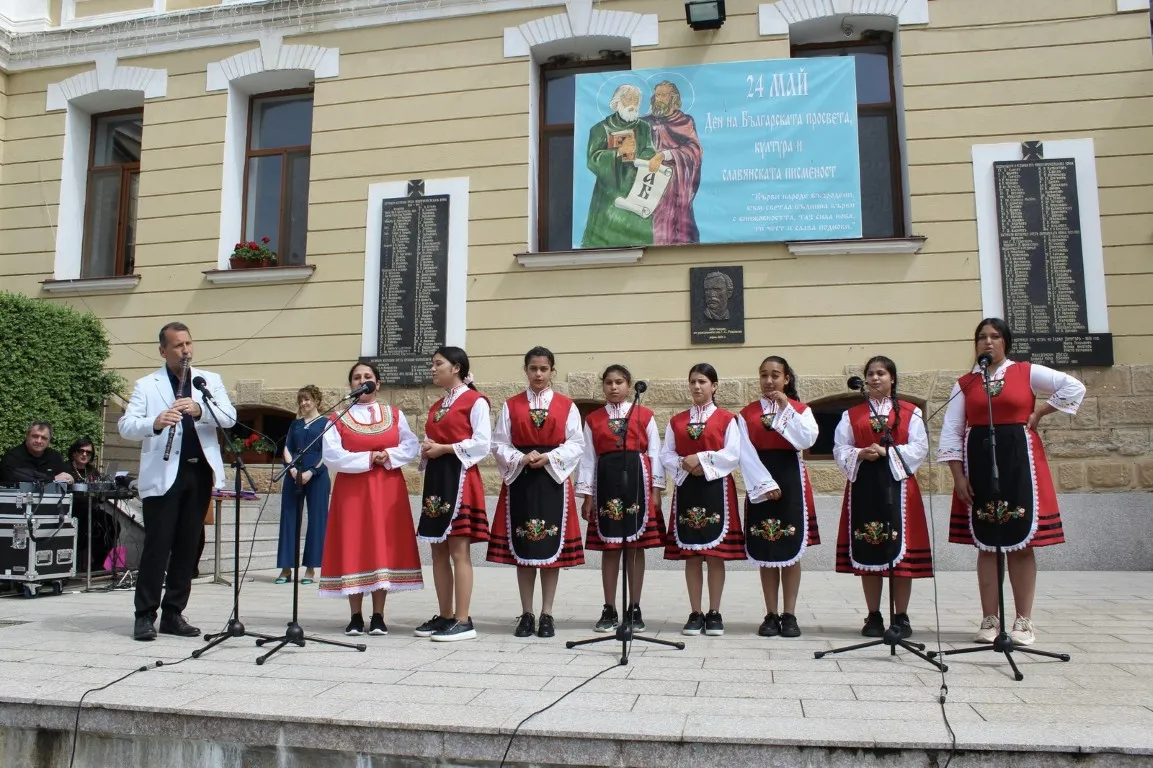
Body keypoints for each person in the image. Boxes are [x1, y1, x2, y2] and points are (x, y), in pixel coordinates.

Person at [938, 318, 1085, 646]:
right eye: (982, 337)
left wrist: (1040, 413)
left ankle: (1023, 620)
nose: (988, 342)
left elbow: (1073, 387)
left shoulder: (1026, 372)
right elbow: (952, 430)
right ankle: (990, 618)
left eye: (995, 336)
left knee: (1021, 543)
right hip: (979, 462)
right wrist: (957, 476)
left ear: (1006, 341)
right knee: (987, 544)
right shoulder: (965, 383)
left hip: (1020, 463)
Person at [118, 321, 236, 641]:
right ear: (163, 351)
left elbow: (229, 417)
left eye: (188, 343)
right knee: (158, 546)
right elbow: (126, 426)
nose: (185, 350)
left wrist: (199, 410)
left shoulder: (208, 380)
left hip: (199, 473)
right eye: (178, 346)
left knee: (188, 546)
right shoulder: (147, 385)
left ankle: (173, 613)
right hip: (163, 474)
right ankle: (145, 615)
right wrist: (155, 422)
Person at [487, 346, 585, 639]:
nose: (538, 374)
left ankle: (547, 613)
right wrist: (520, 458)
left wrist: (550, 457)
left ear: (553, 371)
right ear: (526, 370)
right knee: (525, 548)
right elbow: (499, 444)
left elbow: (576, 443)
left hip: (553, 479)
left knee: (550, 548)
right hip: (522, 480)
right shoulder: (511, 405)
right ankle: (527, 612)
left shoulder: (567, 405)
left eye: (544, 369)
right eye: (533, 368)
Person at [320, 361, 423, 636]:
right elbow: (332, 455)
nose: (361, 380)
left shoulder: (394, 414)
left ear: (377, 383)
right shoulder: (338, 417)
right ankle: (355, 615)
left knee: (381, 545)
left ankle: (378, 615)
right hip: (352, 490)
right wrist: (368, 458)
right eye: (356, 377)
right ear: (351, 384)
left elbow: (410, 444)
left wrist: (387, 455)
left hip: (386, 488)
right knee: (353, 543)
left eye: (367, 376)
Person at [833, 356, 933, 639]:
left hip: (898, 486)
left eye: (881, 373)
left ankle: (900, 615)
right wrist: (859, 453)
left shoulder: (911, 412)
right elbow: (840, 448)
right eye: (870, 374)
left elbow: (919, 447)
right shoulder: (851, 414)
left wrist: (887, 452)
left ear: (892, 379)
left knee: (900, 555)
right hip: (865, 485)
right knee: (869, 547)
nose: (875, 378)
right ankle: (874, 614)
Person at [576, 364, 665, 634]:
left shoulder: (644, 415)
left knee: (635, 547)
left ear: (629, 385)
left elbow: (655, 453)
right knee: (610, 548)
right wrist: (587, 495)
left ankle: (634, 607)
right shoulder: (593, 419)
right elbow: (588, 458)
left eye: (619, 382)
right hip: (606, 483)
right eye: (609, 382)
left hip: (638, 482)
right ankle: (609, 607)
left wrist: (656, 491)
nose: (614, 387)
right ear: (603, 386)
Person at [736, 356, 820, 638]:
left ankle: (790, 613)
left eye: (775, 375)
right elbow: (744, 453)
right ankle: (770, 613)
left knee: (790, 549)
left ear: (786, 379)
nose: (769, 381)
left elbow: (806, 440)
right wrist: (763, 485)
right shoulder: (746, 414)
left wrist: (786, 409)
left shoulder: (801, 410)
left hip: (791, 480)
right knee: (766, 550)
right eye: (764, 375)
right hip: (760, 481)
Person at [662, 363, 746, 637]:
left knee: (714, 553)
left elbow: (733, 453)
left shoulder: (727, 419)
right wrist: (683, 464)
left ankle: (714, 612)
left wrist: (700, 459)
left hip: (716, 488)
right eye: (693, 382)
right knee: (692, 554)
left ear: (714, 386)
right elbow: (666, 454)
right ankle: (695, 612)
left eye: (702, 382)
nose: (697, 387)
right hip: (687, 488)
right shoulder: (677, 421)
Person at [415, 346, 491, 643]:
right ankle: (445, 614)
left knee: (459, 549)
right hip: (437, 479)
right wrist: (427, 448)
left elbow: (482, 443)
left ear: (456, 367)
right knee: (437, 550)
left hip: (459, 477)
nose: (433, 369)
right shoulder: (437, 405)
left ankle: (463, 619)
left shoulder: (475, 401)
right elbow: (431, 438)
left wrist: (445, 448)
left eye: (438, 364)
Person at [581, 83, 657, 248]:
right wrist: (618, 152)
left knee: (640, 241)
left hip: (636, 189)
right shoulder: (600, 129)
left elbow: (649, 151)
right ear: (617, 102)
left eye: (636, 101)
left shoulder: (643, 127)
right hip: (610, 194)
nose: (633, 104)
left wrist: (639, 156)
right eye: (629, 99)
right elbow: (592, 159)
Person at [276, 385, 330, 586]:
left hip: (317, 475)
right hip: (293, 474)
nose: (303, 403)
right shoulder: (295, 424)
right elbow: (287, 447)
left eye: (307, 399)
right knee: (289, 518)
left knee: (317, 519)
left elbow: (328, 451)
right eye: (301, 400)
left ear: (316, 401)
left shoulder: (327, 423)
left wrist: (311, 472)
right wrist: (291, 469)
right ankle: (286, 568)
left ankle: (310, 568)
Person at [643, 80, 702, 245]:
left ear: (673, 98)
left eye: (663, 95)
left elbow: (694, 150)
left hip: (674, 188)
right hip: (649, 184)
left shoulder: (684, 122)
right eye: (657, 95)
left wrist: (665, 155)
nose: (658, 99)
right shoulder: (645, 122)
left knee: (674, 228)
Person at [64, 437, 113, 572]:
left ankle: (98, 563)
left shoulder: (92, 470)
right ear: (74, 452)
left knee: (112, 524)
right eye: (81, 451)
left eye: (88, 452)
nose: (84, 454)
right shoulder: (65, 468)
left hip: (91, 508)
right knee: (85, 524)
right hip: (72, 510)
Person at [0, 422, 71, 485]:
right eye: (35, 436)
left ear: (49, 440)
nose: (39, 441)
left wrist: (69, 478)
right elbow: (10, 479)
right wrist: (52, 479)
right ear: (27, 436)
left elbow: (66, 477)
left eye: (44, 438)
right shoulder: (12, 457)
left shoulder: (55, 457)